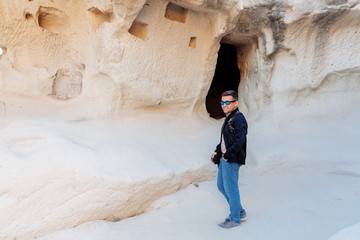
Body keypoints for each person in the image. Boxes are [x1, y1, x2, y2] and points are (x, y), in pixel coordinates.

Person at [211, 90, 248, 229]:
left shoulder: (238, 118)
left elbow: (240, 140)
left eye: (228, 102)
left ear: (235, 103)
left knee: (231, 189)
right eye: (222, 102)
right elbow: (225, 140)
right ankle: (240, 212)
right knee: (221, 186)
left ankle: (234, 218)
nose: (224, 105)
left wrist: (227, 155)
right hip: (225, 159)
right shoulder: (229, 117)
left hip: (231, 160)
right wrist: (217, 152)